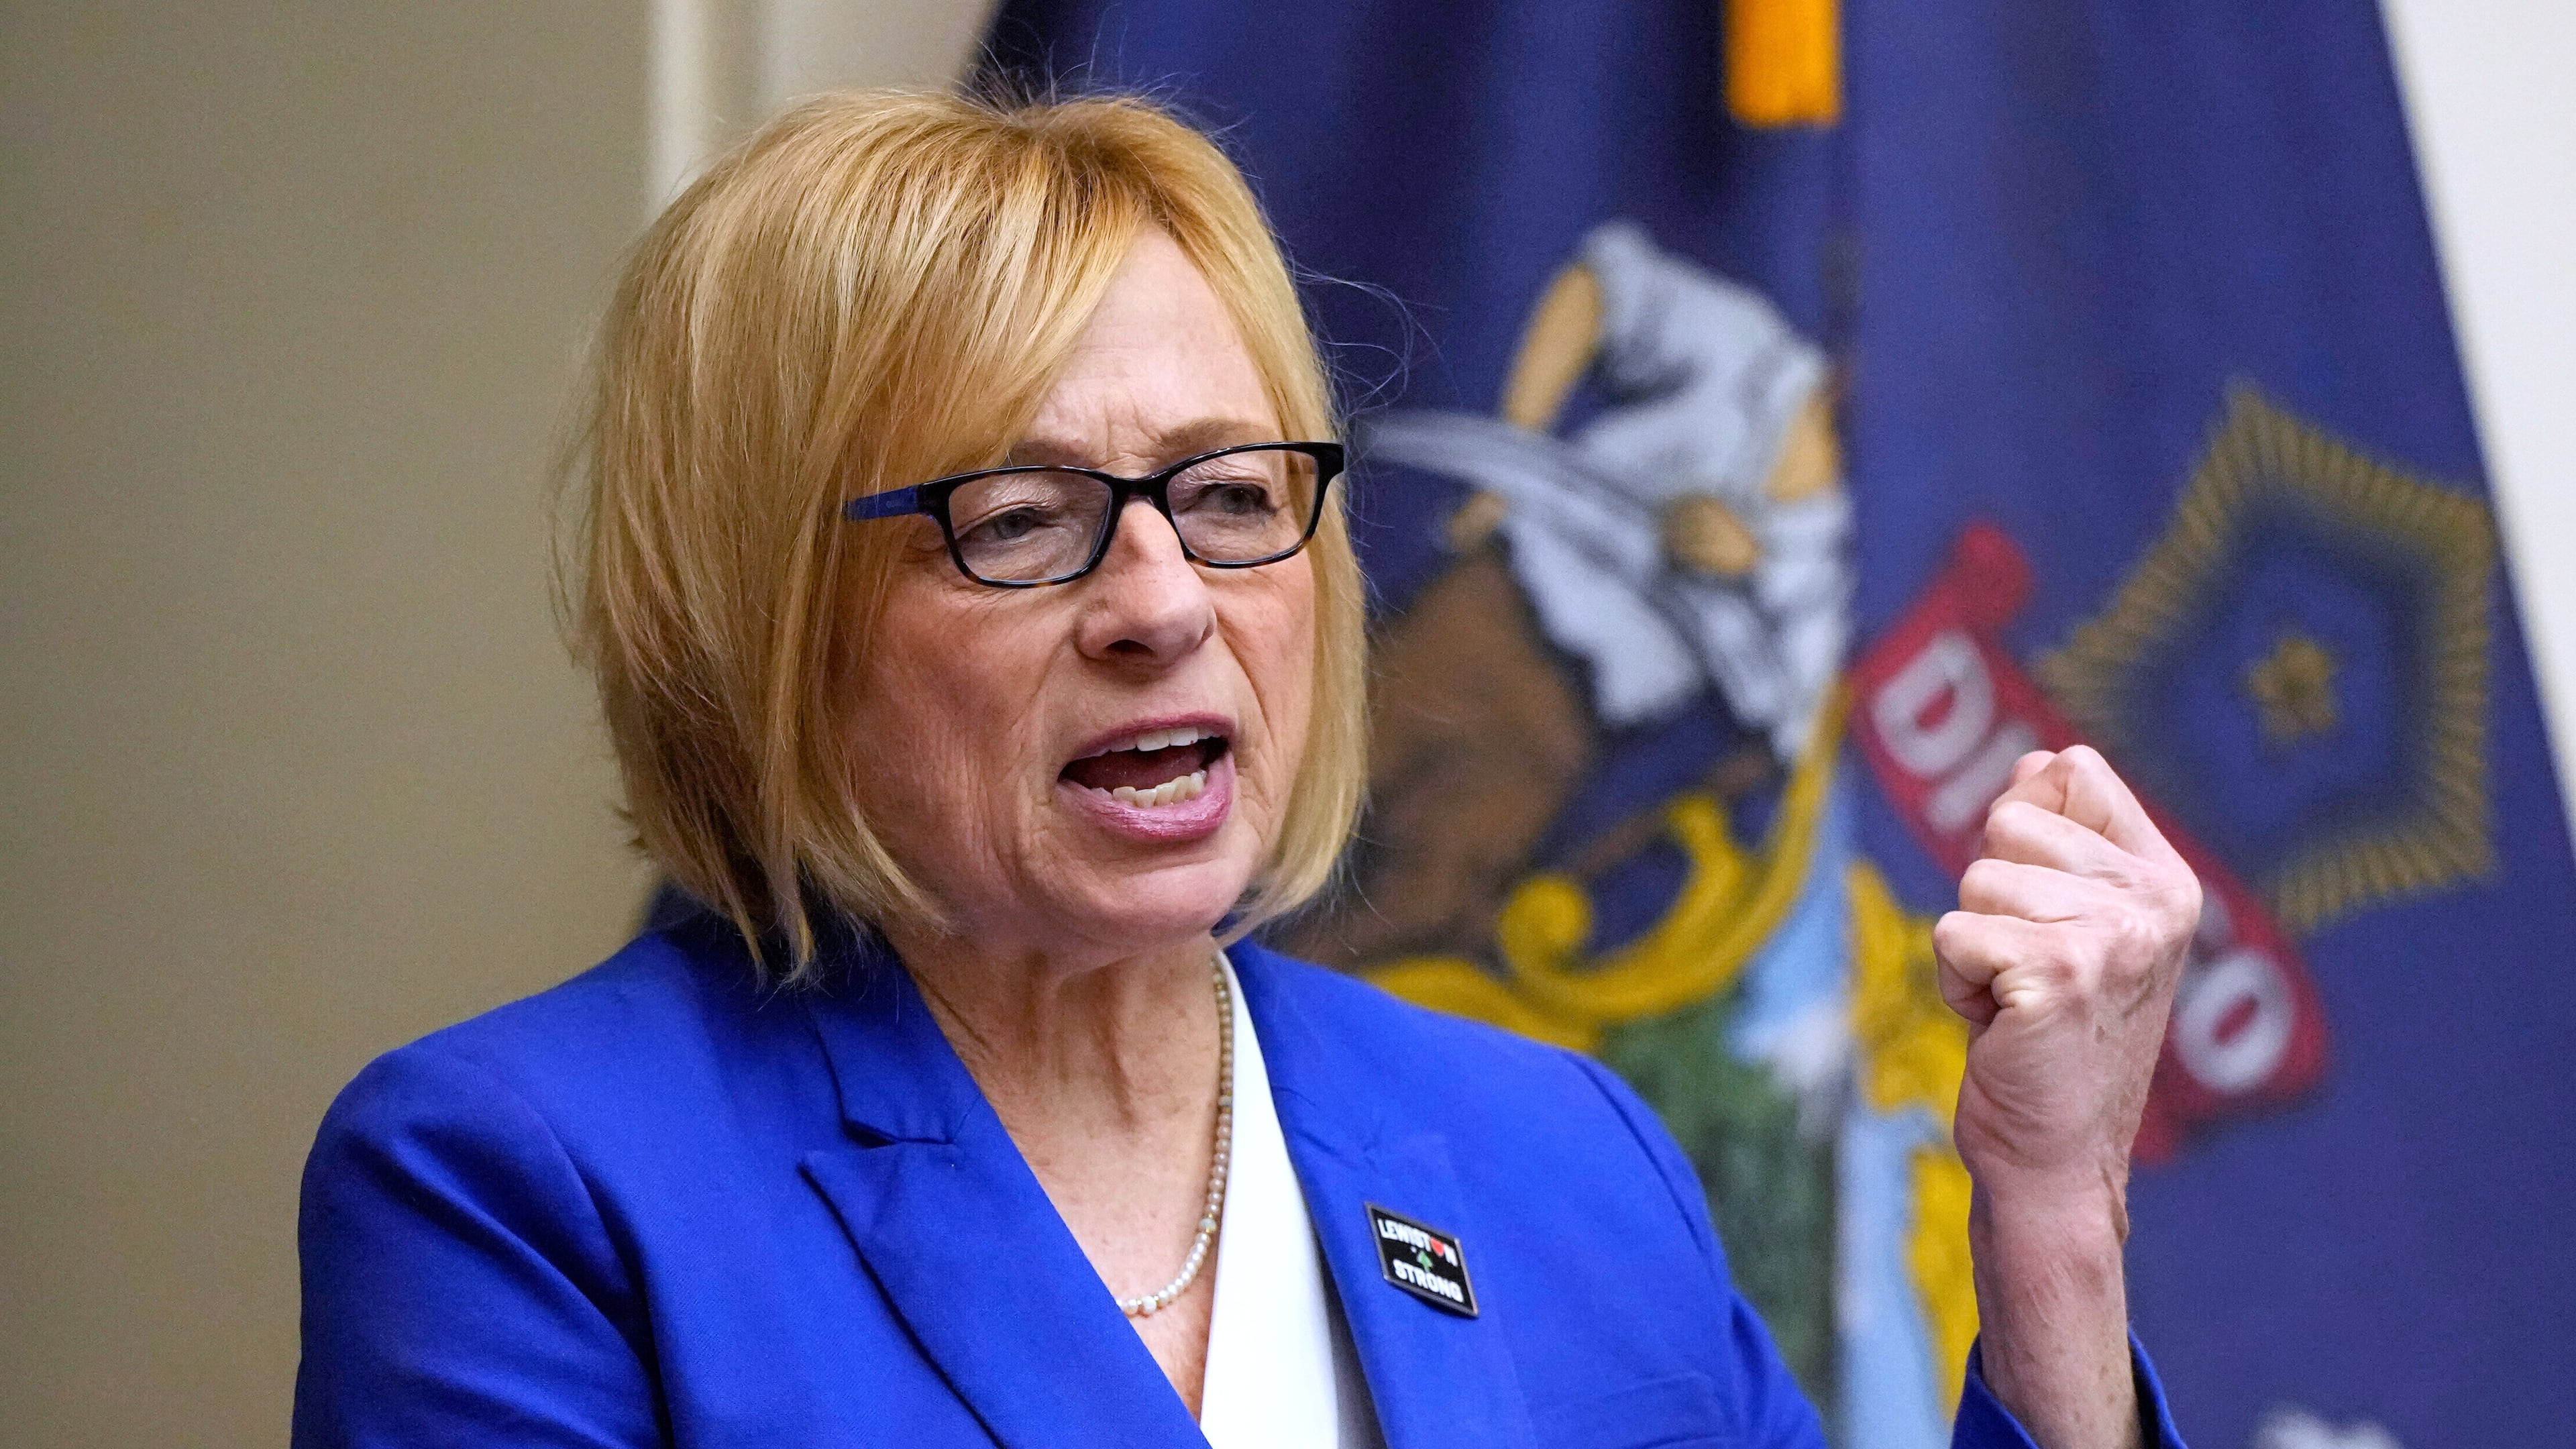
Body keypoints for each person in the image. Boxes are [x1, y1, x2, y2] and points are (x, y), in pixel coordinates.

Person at [292, 91, 2201, 1449]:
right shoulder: (525, 1186)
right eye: (1022, 518)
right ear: (763, 613)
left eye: (1225, 496)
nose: (1162, 602)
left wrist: (2048, 1227)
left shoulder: (1556, 1157)